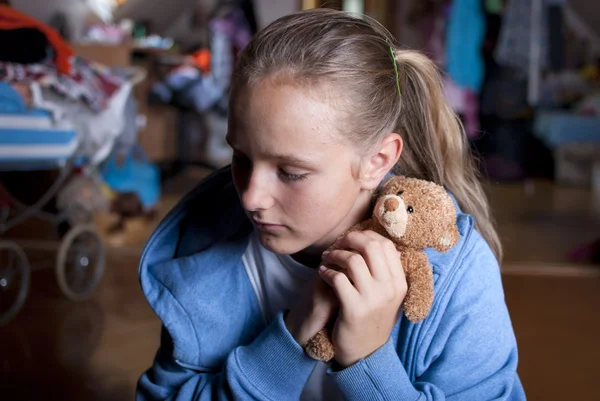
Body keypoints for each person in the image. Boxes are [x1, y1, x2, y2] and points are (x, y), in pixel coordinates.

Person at [136, 8, 526, 401]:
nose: (251, 197)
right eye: (241, 158)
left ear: (377, 161)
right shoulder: (201, 244)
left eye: (290, 171)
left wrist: (368, 359)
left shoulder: (455, 273)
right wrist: (286, 344)